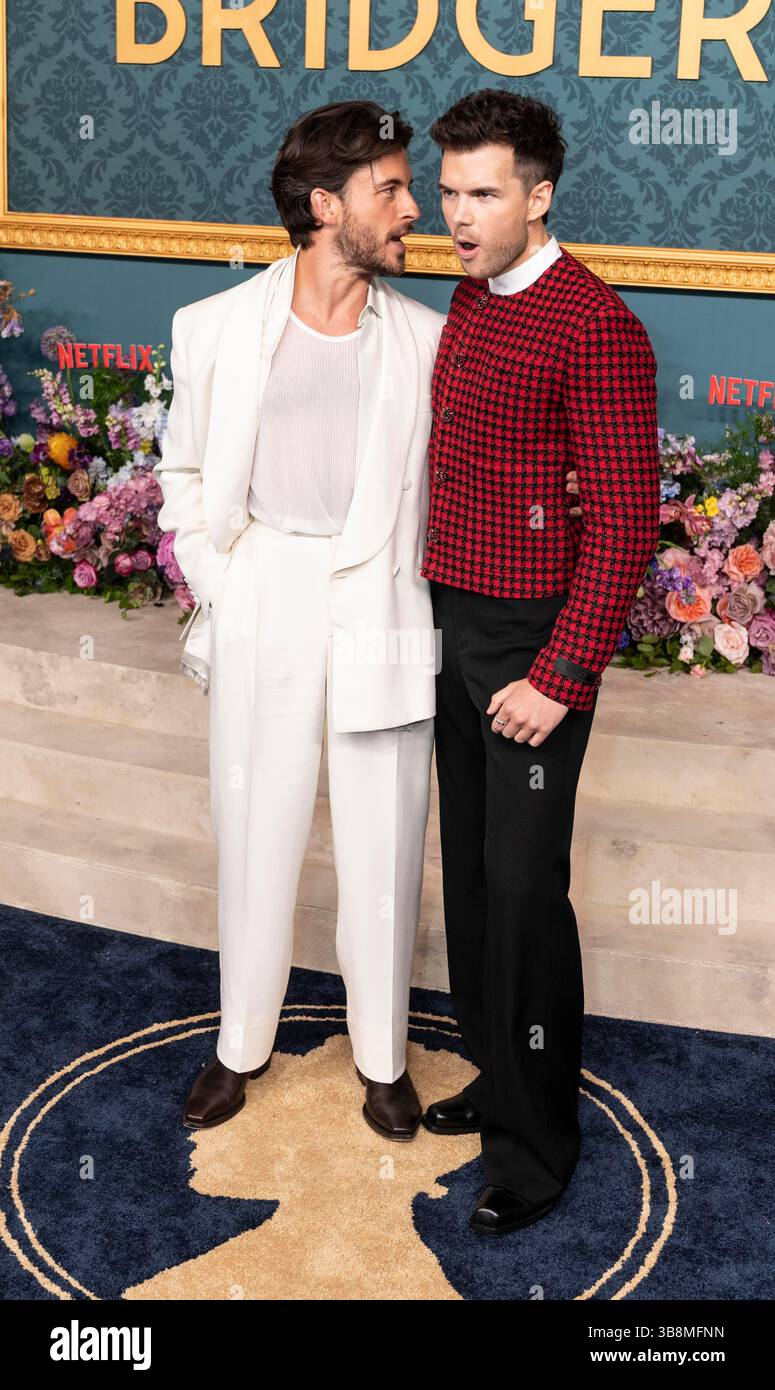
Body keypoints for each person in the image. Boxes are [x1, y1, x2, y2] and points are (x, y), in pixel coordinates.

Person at [418, 89, 661, 1235]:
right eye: (449, 191)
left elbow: (621, 521)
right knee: (467, 877)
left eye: (483, 194)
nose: (457, 217)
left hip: (530, 650)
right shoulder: (470, 301)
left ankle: (536, 1147)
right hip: (455, 628)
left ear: (539, 194)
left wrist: (559, 675)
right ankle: (496, 1076)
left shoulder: (592, 323)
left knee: (520, 893)